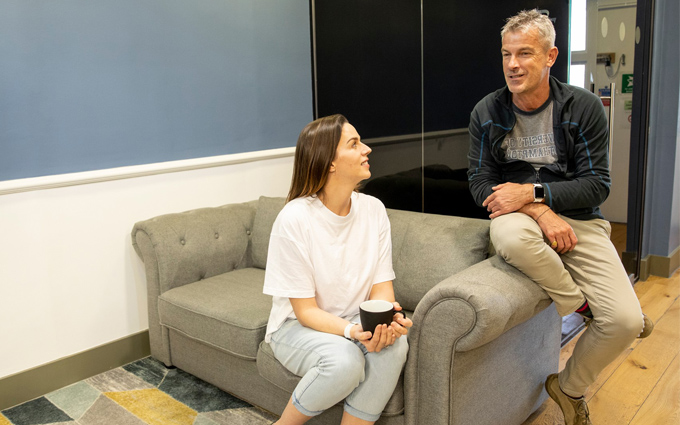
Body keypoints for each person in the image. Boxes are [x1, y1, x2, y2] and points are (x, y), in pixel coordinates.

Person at [467, 9, 653, 425]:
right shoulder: (487, 111)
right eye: (506, 54)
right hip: (517, 218)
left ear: (551, 56)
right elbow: (480, 184)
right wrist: (536, 208)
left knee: (623, 322)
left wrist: (537, 193)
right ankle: (580, 306)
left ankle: (567, 388)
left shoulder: (583, 107)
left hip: (580, 220)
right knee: (513, 239)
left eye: (525, 53)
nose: (513, 64)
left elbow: (597, 185)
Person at [263, 114, 412, 425]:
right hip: (295, 327)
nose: (367, 149)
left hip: (353, 320)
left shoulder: (373, 209)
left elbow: (381, 286)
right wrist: (353, 333)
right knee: (346, 361)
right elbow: (305, 312)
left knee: (395, 345)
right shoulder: (294, 219)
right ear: (329, 163)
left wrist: (386, 320)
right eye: (354, 144)